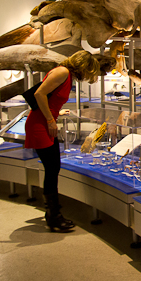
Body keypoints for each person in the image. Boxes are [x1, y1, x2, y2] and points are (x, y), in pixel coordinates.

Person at [25, 50, 100, 232]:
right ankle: (54, 216)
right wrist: (51, 120)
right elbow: (39, 94)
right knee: (52, 168)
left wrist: (56, 113)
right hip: (40, 125)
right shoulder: (62, 72)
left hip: (46, 122)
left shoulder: (65, 75)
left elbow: (49, 99)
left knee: (53, 168)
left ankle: (52, 213)